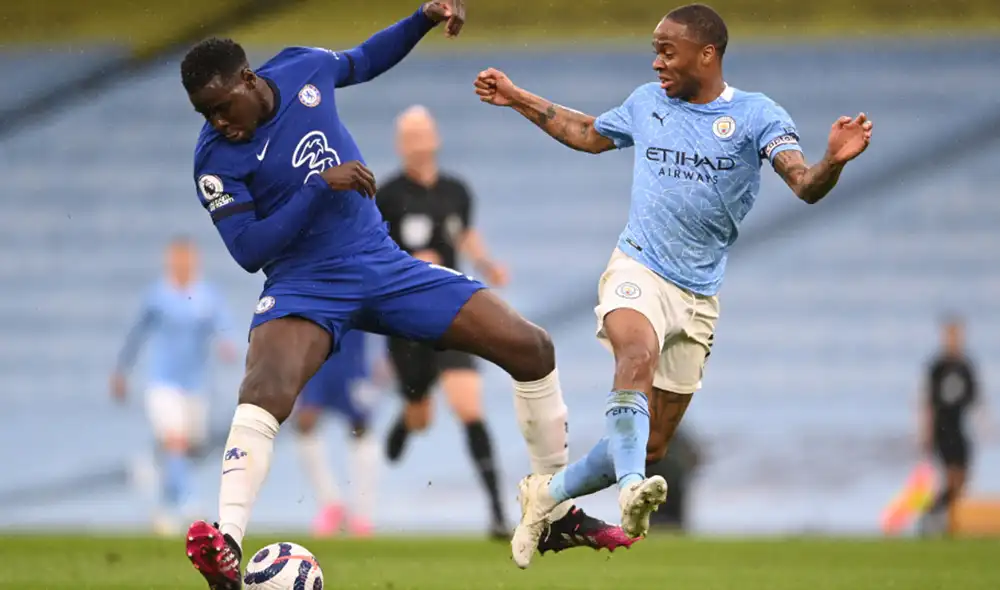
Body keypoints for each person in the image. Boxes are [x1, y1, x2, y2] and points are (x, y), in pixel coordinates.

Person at [179, 3, 631, 587]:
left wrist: (422, 18)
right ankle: (229, 546)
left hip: (383, 265)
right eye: (205, 114)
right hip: (304, 285)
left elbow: (366, 59)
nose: (218, 122)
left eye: (222, 107)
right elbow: (248, 249)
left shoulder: (302, 69)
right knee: (264, 390)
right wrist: (319, 185)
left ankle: (556, 510)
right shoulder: (213, 161)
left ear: (248, 79)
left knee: (531, 347)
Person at [474, 3, 874, 567]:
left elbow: (805, 184)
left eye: (668, 50)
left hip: (699, 294)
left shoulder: (758, 116)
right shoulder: (647, 102)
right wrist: (516, 96)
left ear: (706, 54)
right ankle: (632, 488)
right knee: (636, 352)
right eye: (655, 49)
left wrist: (833, 160)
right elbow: (588, 133)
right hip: (638, 267)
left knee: (652, 440)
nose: (657, 61)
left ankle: (547, 494)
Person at [377, 105, 510, 538]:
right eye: (409, 135)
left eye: (423, 133)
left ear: (434, 138)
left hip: (451, 311)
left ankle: (496, 512)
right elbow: (373, 252)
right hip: (405, 318)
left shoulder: (456, 190)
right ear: (401, 144)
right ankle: (406, 418)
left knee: (468, 406)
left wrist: (487, 263)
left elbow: (465, 233)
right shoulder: (388, 195)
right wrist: (409, 261)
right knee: (423, 417)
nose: (417, 141)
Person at [111, 236, 237, 535]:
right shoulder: (157, 296)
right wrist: (121, 371)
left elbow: (225, 326)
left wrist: (227, 344)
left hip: (196, 385)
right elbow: (136, 334)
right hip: (162, 383)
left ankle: (165, 507)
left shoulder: (207, 296)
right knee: (175, 440)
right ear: (170, 262)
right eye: (177, 259)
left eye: (187, 259)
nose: (182, 265)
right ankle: (190, 504)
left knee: (183, 448)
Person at [293, 329, 381, 538]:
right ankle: (331, 503)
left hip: (352, 360)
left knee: (361, 427)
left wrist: (384, 357)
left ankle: (362, 513)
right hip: (317, 361)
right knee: (305, 421)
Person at [918, 316, 983, 535]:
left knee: (962, 479)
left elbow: (975, 399)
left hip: (960, 428)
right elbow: (927, 402)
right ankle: (933, 515)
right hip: (942, 428)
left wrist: (985, 426)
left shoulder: (966, 366)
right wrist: (925, 432)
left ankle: (945, 520)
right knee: (951, 476)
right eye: (951, 335)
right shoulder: (938, 367)